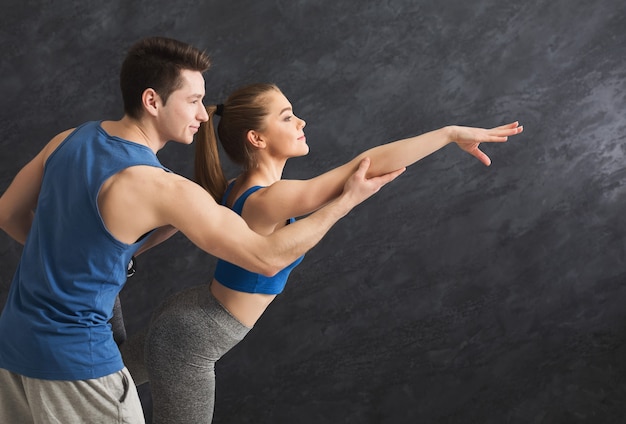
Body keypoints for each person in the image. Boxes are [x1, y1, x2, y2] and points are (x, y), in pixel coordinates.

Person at [0, 38, 402, 424]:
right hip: (77, 366)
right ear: (152, 101)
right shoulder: (163, 187)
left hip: (13, 348)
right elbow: (267, 258)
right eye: (193, 101)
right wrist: (347, 201)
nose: (203, 114)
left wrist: (75, 260)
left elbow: (8, 215)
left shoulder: (69, 140)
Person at [118, 82, 523, 423]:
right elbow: (363, 166)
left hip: (187, 319)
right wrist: (448, 133)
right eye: (287, 116)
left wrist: (128, 254)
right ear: (256, 139)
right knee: (97, 390)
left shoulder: (237, 186)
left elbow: (174, 219)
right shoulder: (268, 198)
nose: (301, 122)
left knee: (97, 386)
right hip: (190, 340)